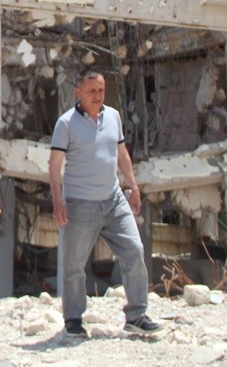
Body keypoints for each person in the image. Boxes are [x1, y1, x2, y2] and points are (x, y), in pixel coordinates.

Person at [49, 70, 161, 338]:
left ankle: (137, 315)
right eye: (91, 91)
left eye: (101, 90)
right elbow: (54, 166)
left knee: (134, 250)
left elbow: (121, 153)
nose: (97, 96)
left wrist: (133, 186)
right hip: (80, 203)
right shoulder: (66, 123)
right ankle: (73, 319)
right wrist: (57, 201)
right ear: (78, 92)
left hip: (114, 200)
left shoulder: (113, 116)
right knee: (74, 264)